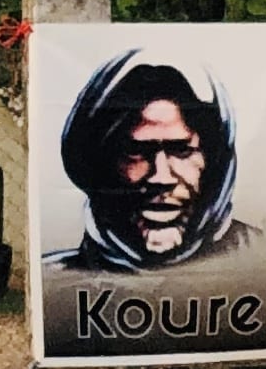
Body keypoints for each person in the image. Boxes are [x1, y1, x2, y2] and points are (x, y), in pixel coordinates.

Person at [51, 53, 255, 272]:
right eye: (136, 151)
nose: (161, 177)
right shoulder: (57, 281)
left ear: (214, 162)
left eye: (182, 150)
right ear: (101, 163)